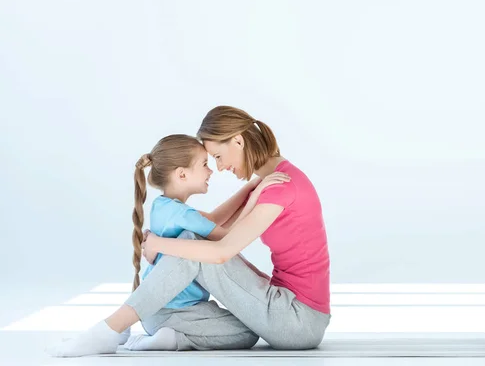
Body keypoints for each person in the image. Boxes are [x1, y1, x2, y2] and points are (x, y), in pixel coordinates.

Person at [48, 106, 331, 357]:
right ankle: (159, 330)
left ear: (238, 141)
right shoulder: (272, 181)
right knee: (192, 244)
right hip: (289, 309)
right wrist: (251, 189)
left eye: (218, 156)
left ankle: (110, 329)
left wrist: (158, 243)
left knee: (191, 246)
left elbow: (221, 250)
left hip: (297, 319)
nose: (219, 167)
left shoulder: (279, 187)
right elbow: (213, 227)